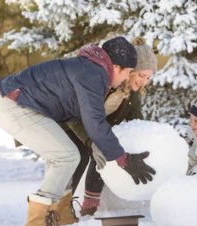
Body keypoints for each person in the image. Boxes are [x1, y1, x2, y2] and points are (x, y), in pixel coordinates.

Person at [0, 36, 156, 226]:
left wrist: (99, 144)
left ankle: (61, 215)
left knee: (65, 155)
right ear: (116, 66)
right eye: (128, 73)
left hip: (23, 105)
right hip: (14, 105)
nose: (125, 79)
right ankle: (37, 223)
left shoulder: (93, 70)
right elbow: (95, 121)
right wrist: (123, 159)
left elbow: (83, 117)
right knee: (67, 156)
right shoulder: (93, 74)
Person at [67, 37, 157, 216]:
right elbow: (73, 115)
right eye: (141, 75)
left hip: (97, 131)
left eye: (148, 77)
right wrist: (93, 141)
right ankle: (63, 207)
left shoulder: (131, 94)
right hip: (72, 126)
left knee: (104, 150)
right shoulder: (102, 81)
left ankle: (89, 206)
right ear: (129, 70)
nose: (144, 82)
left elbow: (136, 121)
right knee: (79, 157)